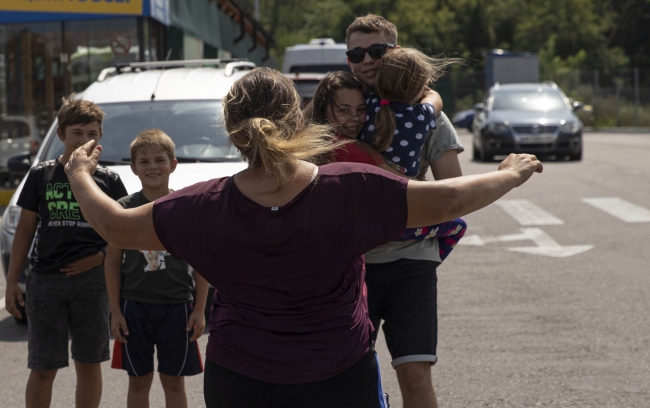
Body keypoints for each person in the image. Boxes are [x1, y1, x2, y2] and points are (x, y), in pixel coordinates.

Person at [63, 67, 542, 408]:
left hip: (240, 382)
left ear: (232, 130)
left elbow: (114, 227)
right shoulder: (350, 186)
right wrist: (511, 174)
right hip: (339, 377)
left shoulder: (201, 206)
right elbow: (452, 199)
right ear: (298, 119)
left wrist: (81, 172)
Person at [345, 13, 464, 408]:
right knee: (346, 377)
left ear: (395, 52)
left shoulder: (433, 119)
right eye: (356, 53)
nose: (367, 60)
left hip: (409, 263)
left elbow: (453, 192)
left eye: (377, 50)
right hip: (347, 264)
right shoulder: (336, 115)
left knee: (414, 377)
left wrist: (403, 194)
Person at [3, 94, 128, 408]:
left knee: (88, 364)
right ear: (61, 135)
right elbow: (25, 230)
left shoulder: (110, 181)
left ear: (100, 136)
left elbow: (121, 234)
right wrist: (11, 282)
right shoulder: (41, 175)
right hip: (46, 283)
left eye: (93, 133)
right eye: (77, 133)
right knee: (43, 367)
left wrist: (99, 257)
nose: (85, 140)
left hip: (93, 285)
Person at [304, 71, 465, 261]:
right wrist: (420, 180)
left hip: (327, 234)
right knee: (457, 226)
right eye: (344, 110)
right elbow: (403, 184)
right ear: (324, 109)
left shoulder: (310, 137)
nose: (354, 118)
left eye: (361, 109)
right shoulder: (345, 147)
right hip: (366, 232)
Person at [104, 129, 209, 408]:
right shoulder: (123, 210)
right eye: (144, 161)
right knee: (138, 381)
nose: (152, 167)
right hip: (134, 307)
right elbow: (112, 261)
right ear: (133, 168)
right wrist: (115, 311)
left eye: (160, 160)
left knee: (174, 381)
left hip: (178, 307)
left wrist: (199, 308)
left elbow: (201, 262)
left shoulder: (186, 208)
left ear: (173, 164)